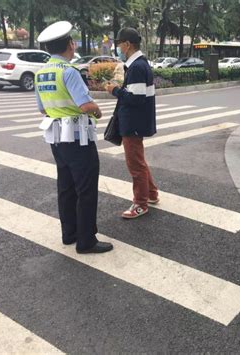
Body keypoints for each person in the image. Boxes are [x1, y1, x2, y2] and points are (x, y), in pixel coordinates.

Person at [35, 21, 113, 254]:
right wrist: (98, 109)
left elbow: (42, 109)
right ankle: (86, 240)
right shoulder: (69, 72)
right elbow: (86, 105)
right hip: (78, 137)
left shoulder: (41, 73)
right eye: (72, 41)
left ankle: (69, 233)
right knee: (86, 188)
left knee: (66, 186)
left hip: (57, 138)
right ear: (70, 44)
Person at [105, 27, 158, 219]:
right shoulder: (139, 65)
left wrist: (115, 90)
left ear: (127, 44)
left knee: (135, 164)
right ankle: (151, 194)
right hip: (136, 121)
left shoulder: (136, 67)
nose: (117, 47)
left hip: (134, 123)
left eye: (119, 43)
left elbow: (136, 98)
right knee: (139, 160)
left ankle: (140, 204)